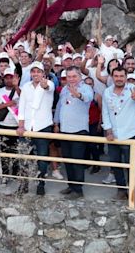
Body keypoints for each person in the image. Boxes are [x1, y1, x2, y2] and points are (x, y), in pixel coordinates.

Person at [102, 66, 135, 200]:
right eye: (116, 76)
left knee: (132, 165)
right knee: (116, 164)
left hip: (130, 133)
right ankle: (121, 190)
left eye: (122, 76)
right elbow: (105, 112)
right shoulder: (107, 92)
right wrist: (108, 130)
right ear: (112, 77)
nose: (119, 79)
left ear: (126, 77)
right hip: (113, 135)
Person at [54, 66, 93, 199]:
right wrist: (56, 122)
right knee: (68, 160)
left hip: (79, 130)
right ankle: (71, 185)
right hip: (65, 130)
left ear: (79, 76)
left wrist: (78, 95)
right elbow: (60, 106)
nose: (71, 79)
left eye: (74, 76)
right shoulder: (65, 89)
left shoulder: (86, 87)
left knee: (77, 161)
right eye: (68, 77)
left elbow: (88, 98)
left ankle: (78, 190)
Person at [17, 61, 56, 195]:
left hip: (43, 126)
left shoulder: (49, 83)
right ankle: (24, 184)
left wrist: (44, 84)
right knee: (24, 157)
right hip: (27, 127)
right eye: (33, 71)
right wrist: (21, 125)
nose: (35, 74)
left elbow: (48, 87)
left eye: (38, 71)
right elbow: (21, 107)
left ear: (43, 73)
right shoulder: (26, 87)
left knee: (42, 158)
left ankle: (41, 184)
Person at [0, 68, 21, 184]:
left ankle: (15, 173)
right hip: (4, 125)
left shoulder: (20, 90)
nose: (9, 80)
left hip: (17, 126)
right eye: (7, 78)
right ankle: (5, 175)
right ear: (3, 79)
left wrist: (17, 87)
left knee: (16, 152)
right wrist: (9, 104)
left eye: (11, 77)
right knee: (4, 152)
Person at [84, 77, 103, 174]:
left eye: (90, 83)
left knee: (93, 145)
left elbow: (102, 110)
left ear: (93, 85)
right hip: (84, 123)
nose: (88, 85)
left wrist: (100, 123)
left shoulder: (97, 96)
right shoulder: (81, 94)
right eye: (86, 83)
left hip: (94, 123)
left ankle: (97, 164)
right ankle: (87, 162)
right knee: (86, 144)